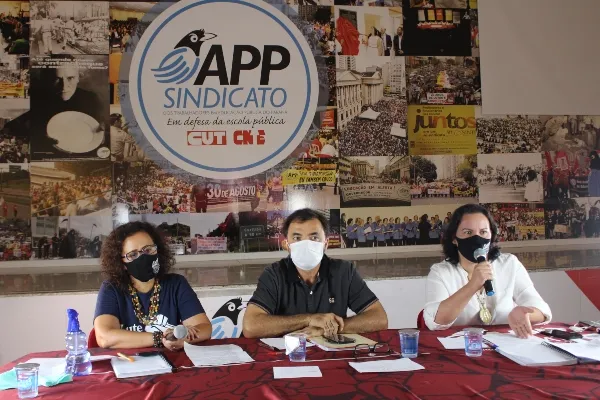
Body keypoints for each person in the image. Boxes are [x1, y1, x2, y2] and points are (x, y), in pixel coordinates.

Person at [243, 208, 388, 338]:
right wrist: (309, 319)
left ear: (326, 243)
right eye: (297, 238)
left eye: (314, 238)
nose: (306, 244)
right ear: (286, 245)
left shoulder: (343, 271)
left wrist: (330, 328)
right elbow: (251, 326)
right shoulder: (274, 274)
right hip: (287, 357)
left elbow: (379, 318)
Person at [424, 204, 552, 338]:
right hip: (464, 348)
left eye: (483, 232)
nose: (477, 238)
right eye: (468, 232)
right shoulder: (440, 272)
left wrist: (524, 313)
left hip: (506, 345)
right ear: (454, 239)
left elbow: (543, 310)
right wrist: (473, 285)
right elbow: (435, 322)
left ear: (491, 235)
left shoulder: (509, 264)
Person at [94, 222, 212, 350]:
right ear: (121, 263)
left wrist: (184, 337)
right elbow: (104, 337)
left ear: (157, 251)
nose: (143, 258)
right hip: (128, 364)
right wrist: (160, 338)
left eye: (148, 250)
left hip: (170, 363)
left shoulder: (176, 284)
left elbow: (205, 328)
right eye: (133, 255)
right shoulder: (112, 288)